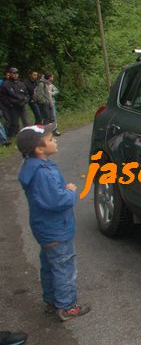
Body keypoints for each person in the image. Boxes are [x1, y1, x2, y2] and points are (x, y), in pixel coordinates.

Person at [17, 123, 91, 321]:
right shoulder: (42, 173)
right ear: (39, 149)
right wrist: (69, 192)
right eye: (50, 139)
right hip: (57, 229)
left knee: (50, 265)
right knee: (64, 267)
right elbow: (57, 201)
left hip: (44, 228)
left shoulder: (32, 168)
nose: (55, 140)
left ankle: (51, 300)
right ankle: (67, 306)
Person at [0, 67, 31, 137]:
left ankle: (28, 134)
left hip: (22, 105)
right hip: (13, 107)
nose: (15, 75)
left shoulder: (21, 83)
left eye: (17, 73)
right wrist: (10, 104)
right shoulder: (6, 84)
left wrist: (25, 101)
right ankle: (15, 135)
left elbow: (27, 94)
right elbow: (2, 97)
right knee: (14, 123)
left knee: (26, 121)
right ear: (10, 74)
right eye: (14, 73)